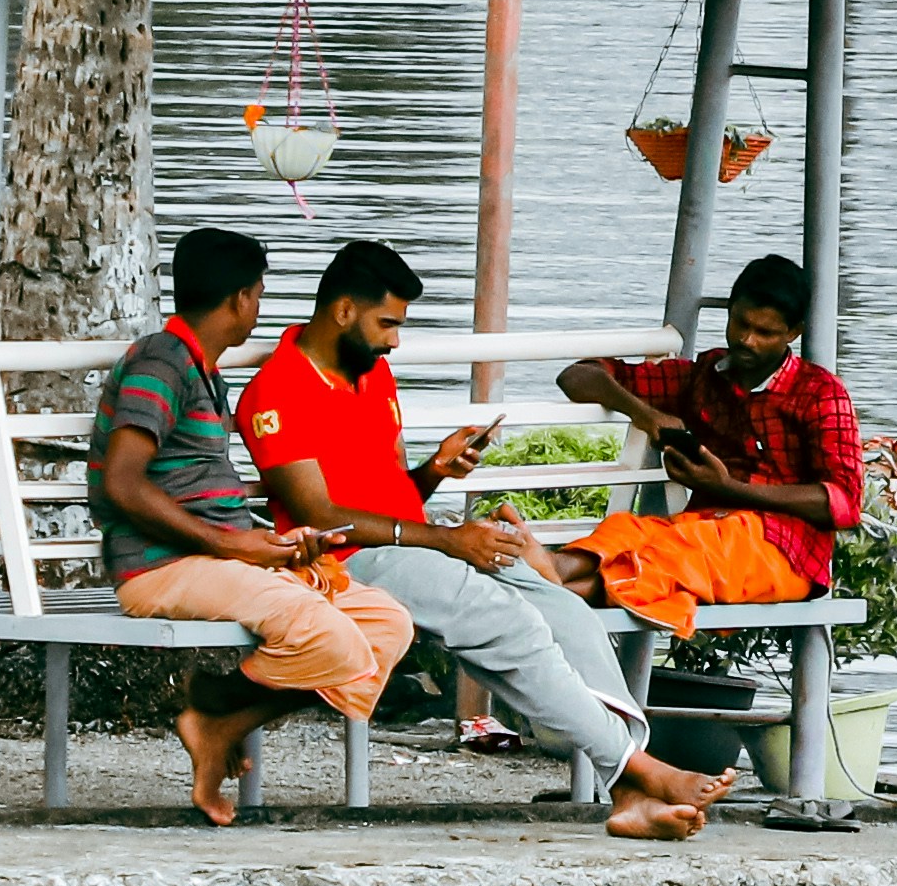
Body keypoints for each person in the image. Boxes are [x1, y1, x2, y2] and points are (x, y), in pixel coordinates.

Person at [243, 239, 735, 843]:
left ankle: (629, 792)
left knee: (564, 611)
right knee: (510, 623)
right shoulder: (276, 390)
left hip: (411, 544)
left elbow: (390, 496)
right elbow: (320, 516)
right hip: (346, 560)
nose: (394, 340)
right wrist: (450, 540)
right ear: (344, 310)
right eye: (387, 323)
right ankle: (638, 768)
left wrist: (433, 473)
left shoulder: (372, 374)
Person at [89, 226, 414, 827]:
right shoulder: (160, 362)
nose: (259, 309)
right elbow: (123, 484)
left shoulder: (202, 370)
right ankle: (209, 706)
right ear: (241, 298)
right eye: (259, 295)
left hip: (218, 559)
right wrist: (232, 543)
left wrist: (273, 544)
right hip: (160, 566)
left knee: (386, 624)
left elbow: (204, 498)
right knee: (333, 639)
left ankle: (220, 720)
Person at [555, 253, 864, 636]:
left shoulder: (819, 394)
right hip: (698, 529)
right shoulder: (703, 376)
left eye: (765, 333)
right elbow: (578, 376)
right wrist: (645, 415)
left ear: (793, 333)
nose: (747, 341)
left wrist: (729, 489)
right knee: (623, 532)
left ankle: (551, 601)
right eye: (740, 324)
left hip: (784, 551)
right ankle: (547, 574)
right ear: (730, 312)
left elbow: (844, 503)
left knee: (675, 554)